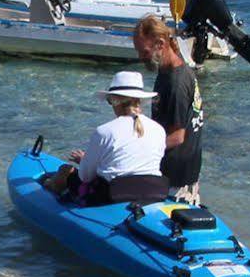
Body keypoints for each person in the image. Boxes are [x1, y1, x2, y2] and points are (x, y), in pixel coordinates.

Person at [53, 70, 167, 206]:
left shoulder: (104, 132)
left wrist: (84, 160)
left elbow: (85, 176)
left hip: (111, 195)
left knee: (65, 171)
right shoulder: (159, 130)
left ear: (115, 101)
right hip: (151, 192)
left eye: (109, 101)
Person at [133, 14, 204, 203]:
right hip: (179, 172)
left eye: (144, 52)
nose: (140, 57)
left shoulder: (176, 82)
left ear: (160, 43)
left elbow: (177, 137)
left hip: (177, 179)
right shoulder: (167, 70)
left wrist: (138, 153)